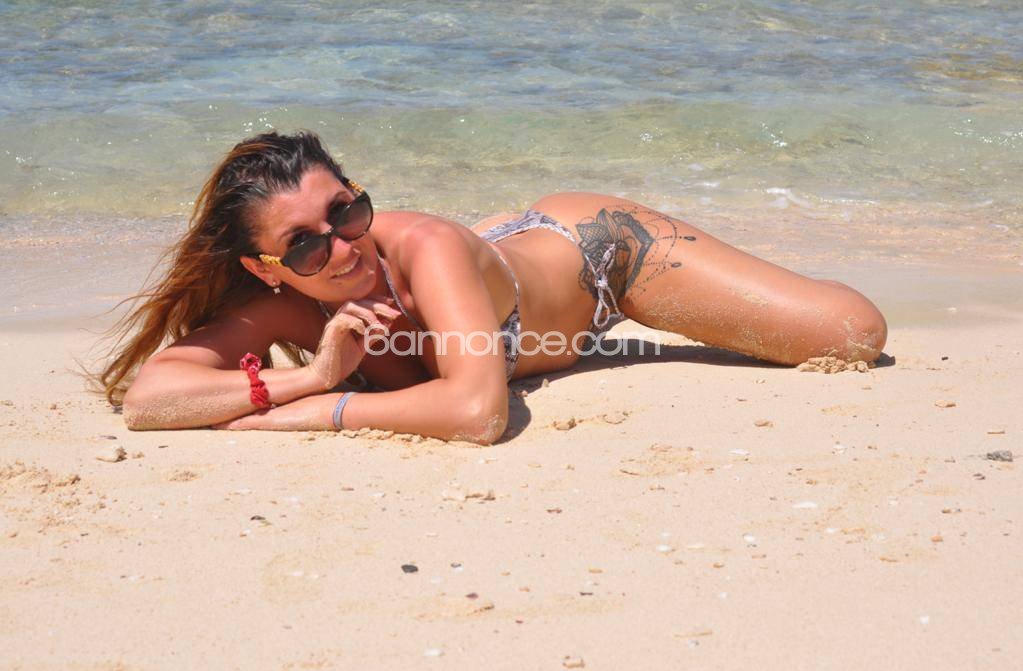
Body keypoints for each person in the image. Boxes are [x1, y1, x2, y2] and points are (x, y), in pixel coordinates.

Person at [97, 131, 886, 444]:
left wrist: (320, 412)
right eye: (302, 245)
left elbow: (477, 413)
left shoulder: (424, 247)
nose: (340, 247)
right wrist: (311, 375)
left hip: (599, 258)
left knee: (849, 335)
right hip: (500, 274)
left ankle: (509, 240)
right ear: (264, 269)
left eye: (347, 211)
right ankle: (501, 243)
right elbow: (150, 400)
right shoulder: (284, 303)